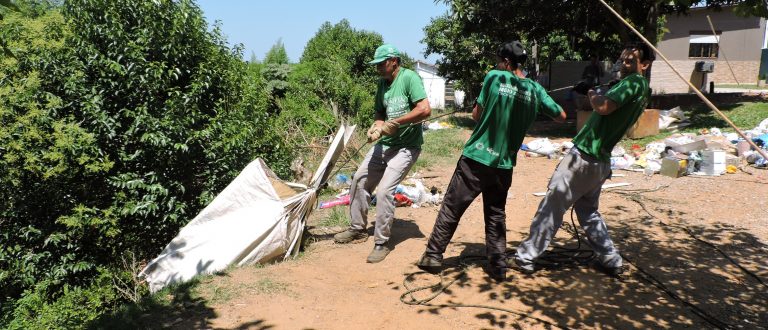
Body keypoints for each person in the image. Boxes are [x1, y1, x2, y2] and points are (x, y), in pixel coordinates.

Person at [416, 41, 566, 281]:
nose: (497, 64)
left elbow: (476, 114)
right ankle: (498, 267)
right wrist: (536, 99)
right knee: (496, 213)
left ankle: (433, 255)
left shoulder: (495, 77)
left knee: (453, 207)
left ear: (507, 62)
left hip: (476, 157)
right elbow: (561, 116)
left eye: (499, 61)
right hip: (504, 165)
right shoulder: (535, 90)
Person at [513, 43, 655, 276]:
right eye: (623, 60)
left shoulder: (633, 82)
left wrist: (590, 92)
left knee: (552, 205)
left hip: (585, 156)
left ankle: (525, 257)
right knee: (588, 212)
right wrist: (603, 89)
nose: (624, 64)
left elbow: (604, 107)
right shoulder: (642, 89)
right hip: (600, 161)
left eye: (631, 61)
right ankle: (611, 259)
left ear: (645, 64)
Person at [333, 44, 431, 263]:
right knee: (359, 179)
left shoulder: (409, 78)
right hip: (385, 144)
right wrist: (377, 127)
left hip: (406, 147)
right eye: (376, 65)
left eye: (381, 64)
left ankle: (381, 242)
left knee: (386, 189)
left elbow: (425, 109)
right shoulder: (381, 84)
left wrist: (396, 122)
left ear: (393, 61)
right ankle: (358, 228)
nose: (377, 68)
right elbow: (380, 112)